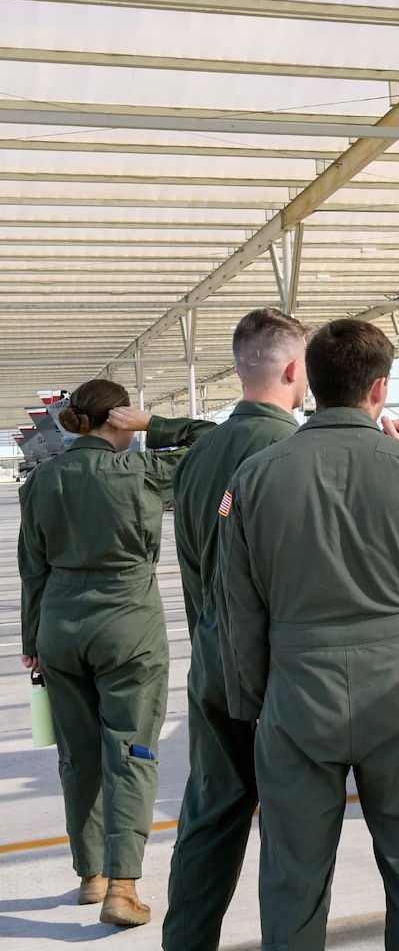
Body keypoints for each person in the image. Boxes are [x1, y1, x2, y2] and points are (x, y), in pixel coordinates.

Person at [216, 318, 399, 951]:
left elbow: (238, 604)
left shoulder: (254, 475)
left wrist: (254, 700)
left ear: (311, 381)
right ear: (380, 388)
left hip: (296, 691)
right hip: (395, 689)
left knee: (294, 871)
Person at [16, 381, 214, 925]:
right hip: (128, 624)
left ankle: (90, 875)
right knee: (131, 752)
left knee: (77, 756)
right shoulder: (144, 473)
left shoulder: (40, 480)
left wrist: (33, 640)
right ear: (118, 417)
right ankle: (122, 888)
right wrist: (154, 425)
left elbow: (32, 569)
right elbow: (215, 441)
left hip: (59, 627)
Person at [163, 308, 309, 951]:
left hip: (210, 665)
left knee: (211, 813)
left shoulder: (199, 455)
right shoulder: (289, 448)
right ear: (294, 369)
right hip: (274, 672)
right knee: (294, 825)